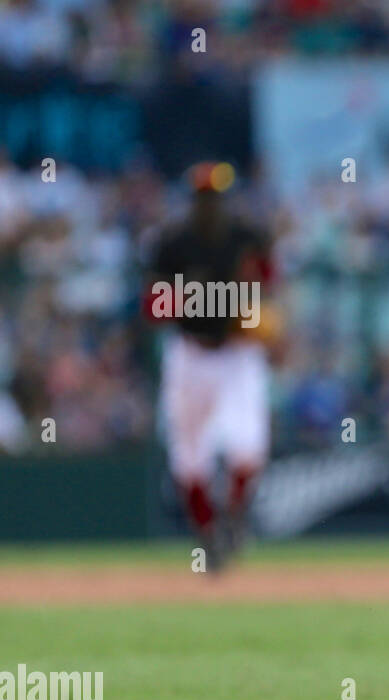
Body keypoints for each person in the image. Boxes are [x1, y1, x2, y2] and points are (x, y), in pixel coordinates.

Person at [144, 162, 277, 571]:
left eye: (217, 197)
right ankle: (208, 535)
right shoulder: (172, 241)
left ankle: (234, 519)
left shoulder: (248, 235)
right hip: (191, 351)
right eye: (205, 197)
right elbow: (153, 307)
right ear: (194, 200)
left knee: (249, 447)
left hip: (237, 354)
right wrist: (203, 299)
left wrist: (251, 310)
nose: (211, 204)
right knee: (188, 456)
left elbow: (269, 282)